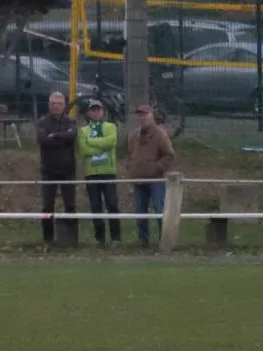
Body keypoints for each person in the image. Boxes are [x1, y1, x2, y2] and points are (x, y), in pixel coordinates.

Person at [123, 102, 176, 247]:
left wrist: (157, 167)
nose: (142, 118)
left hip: (156, 180)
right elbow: (130, 154)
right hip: (138, 180)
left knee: (160, 211)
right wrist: (131, 166)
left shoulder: (160, 134)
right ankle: (143, 241)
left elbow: (169, 155)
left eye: (144, 115)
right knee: (140, 213)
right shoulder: (134, 136)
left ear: (151, 116)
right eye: (140, 115)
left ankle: (164, 240)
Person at [37, 90, 79, 245]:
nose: (56, 106)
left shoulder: (70, 122)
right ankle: (47, 240)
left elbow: (72, 137)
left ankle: (72, 239)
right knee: (47, 206)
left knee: (70, 205)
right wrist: (62, 138)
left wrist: (54, 135)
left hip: (68, 170)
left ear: (64, 105)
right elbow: (43, 141)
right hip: (48, 170)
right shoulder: (43, 122)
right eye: (53, 104)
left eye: (59, 104)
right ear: (49, 105)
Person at [79, 99, 121, 245]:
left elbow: (111, 142)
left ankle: (116, 237)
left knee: (112, 204)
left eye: (98, 109)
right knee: (95, 206)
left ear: (103, 112)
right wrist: (101, 146)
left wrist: (91, 142)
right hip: (91, 173)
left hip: (108, 171)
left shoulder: (110, 126)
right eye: (93, 110)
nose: (96, 112)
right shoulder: (84, 130)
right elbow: (83, 150)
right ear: (88, 113)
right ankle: (100, 238)